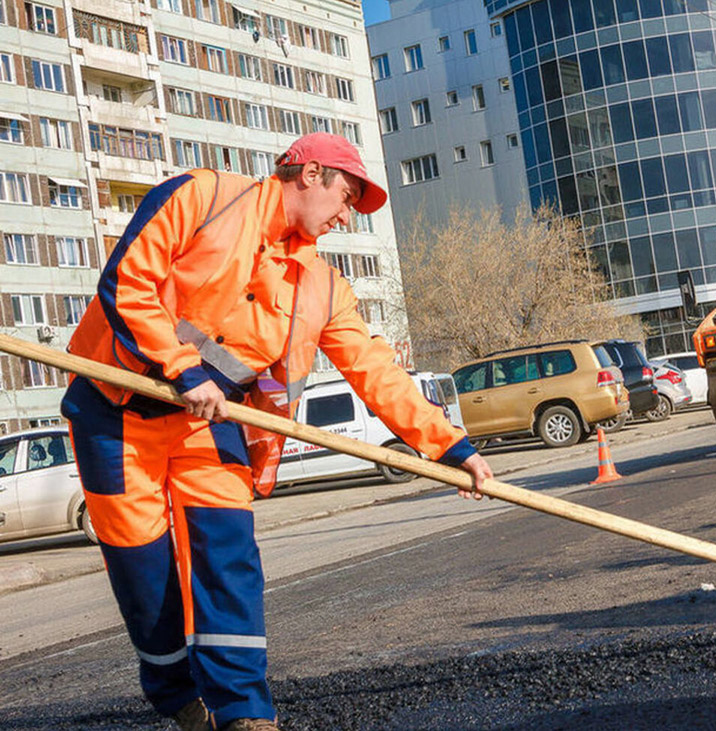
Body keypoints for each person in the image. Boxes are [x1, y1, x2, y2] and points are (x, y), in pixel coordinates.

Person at [61, 133, 494, 731]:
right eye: (347, 196)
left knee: (229, 557)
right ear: (310, 174)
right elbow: (127, 282)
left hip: (208, 425)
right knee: (145, 575)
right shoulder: (201, 197)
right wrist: (183, 369)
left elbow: (376, 371)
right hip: (114, 410)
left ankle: (244, 714)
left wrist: (452, 446)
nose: (346, 216)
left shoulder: (321, 287)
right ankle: (178, 697)